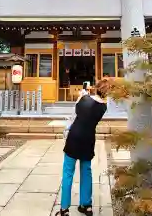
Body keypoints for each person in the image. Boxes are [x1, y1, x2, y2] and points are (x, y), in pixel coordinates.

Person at [57, 79, 108, 216]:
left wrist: (82, 95)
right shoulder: (104, 107)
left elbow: (77, 111)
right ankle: (86, 205)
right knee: (86, 172)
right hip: (88, 139)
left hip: (74, 138)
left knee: (68, 172)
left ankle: (64, 208)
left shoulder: (83, 99)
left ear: (95, 88)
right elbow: (94, 106)